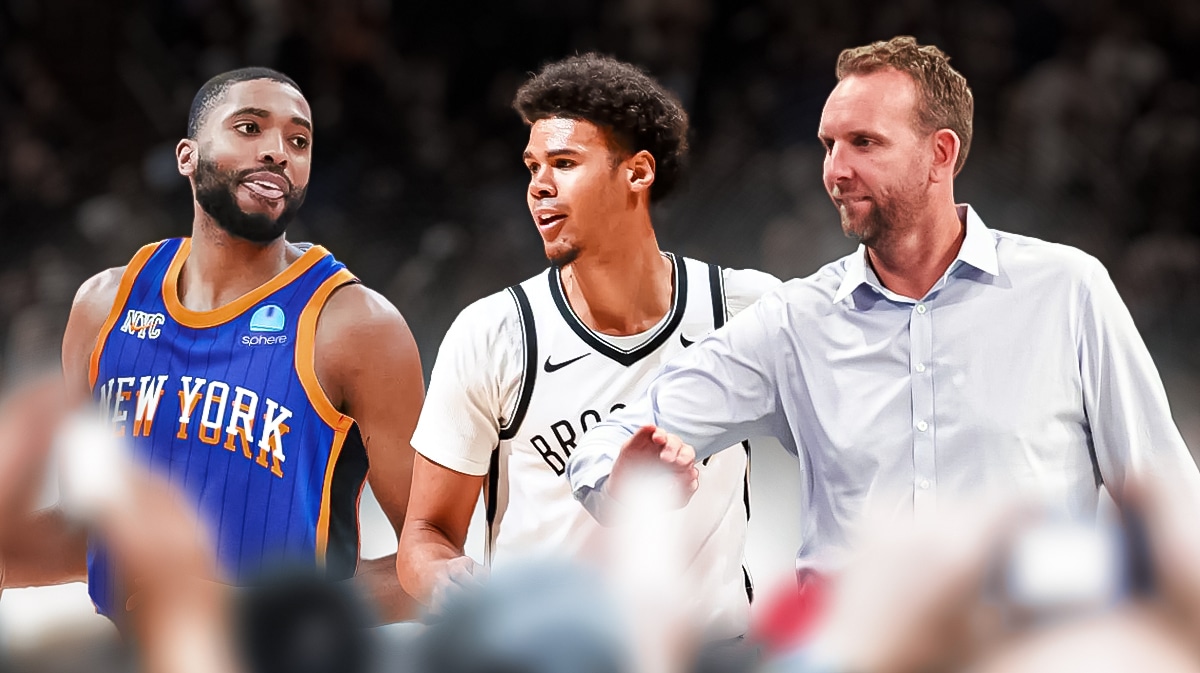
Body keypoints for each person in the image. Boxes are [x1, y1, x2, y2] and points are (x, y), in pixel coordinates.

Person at [566, 36, 1200, 590]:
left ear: (942, 154)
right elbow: (605, 443)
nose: (836, 170)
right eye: (828, 144)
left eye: (864, 143)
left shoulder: (1067, 290)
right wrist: (627, 478)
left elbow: (1168, 502)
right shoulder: (794, 321)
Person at [4, 67, 424, 625]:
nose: (278, 151)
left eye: (299, 141)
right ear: (187, 156)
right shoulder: (103, 307)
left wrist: (245, 612)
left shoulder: (356, 327)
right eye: (249, 128)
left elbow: (438, 570)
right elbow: (97, 532)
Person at [396, 53, 780, 645]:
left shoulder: (744, 309)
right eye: (532, 167)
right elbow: (426, 533)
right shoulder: (494, 331)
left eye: (565, 163)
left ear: (638, 172)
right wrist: (445, 579)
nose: (538, 186)